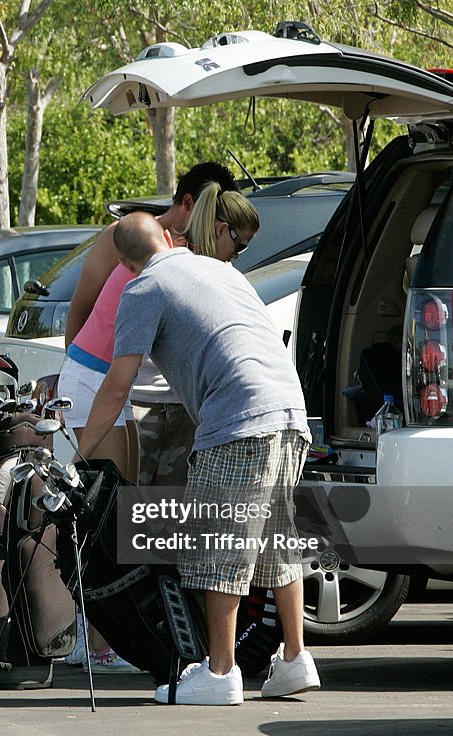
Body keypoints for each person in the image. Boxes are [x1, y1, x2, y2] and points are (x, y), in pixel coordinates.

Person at [78, 210, 320, 706]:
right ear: (169, 237)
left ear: (124, 264)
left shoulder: (141, 289)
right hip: (290, 410)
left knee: (219, 545)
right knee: (277, 537)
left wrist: (79, 453)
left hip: (238, 419)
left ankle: (220, 672)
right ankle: (295, 658)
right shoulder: (218, 268)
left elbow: (118, 384)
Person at [59, 163, 238, 672]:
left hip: (106, 383)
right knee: (103, 508)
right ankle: (90, 639)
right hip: (92, 380)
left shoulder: (172, 255)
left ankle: (104, 634)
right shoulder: (167, 254)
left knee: (126, 504)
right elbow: (88, 319)